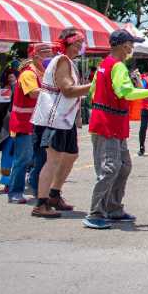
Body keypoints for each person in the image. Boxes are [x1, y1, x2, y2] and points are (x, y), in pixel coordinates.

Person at [84, 29, 148, 230]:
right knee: (110, 168)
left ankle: (113, 207)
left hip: (111, 121)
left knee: (123, 166)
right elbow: (125, 92)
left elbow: (92, 92)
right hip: (108, 122)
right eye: (131, 44)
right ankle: (96, 212)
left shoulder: (105, 65)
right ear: (124, 45)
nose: (132, 48)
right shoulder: (117, 67)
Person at [30, 28, 92, 219]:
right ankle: (41, 203)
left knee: (71, 155)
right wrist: (96, 84)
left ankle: (54, 194)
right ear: (68, 43)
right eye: (77, 42)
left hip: (64, 118)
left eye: (81, 42)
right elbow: (67, 90)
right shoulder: (62, 60)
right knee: (53, 159)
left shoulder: (68, 62)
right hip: (54, 118)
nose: (80, 46)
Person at [6, 42, 51, 204]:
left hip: (37, 123)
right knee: (23, 159)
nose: (49, 56)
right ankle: (15, 192)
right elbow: (33, 93)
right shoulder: (28, 74)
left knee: (40, 158)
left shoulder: (43, 72)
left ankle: (35, 186)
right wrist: (54, 90)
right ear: (36, 55)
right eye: (46, 53)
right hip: (24, 123)